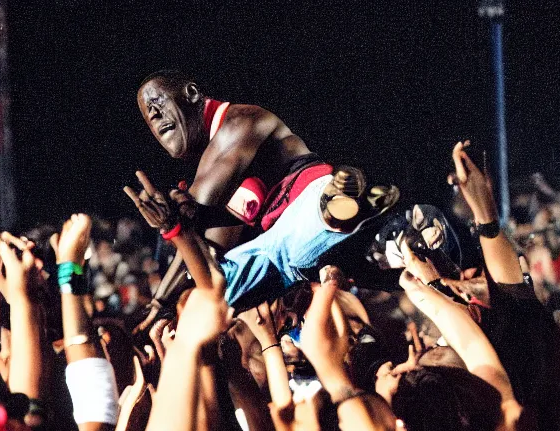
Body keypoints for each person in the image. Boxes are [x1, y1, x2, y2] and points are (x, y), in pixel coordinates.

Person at [132, 71, 399, 312]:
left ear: (191, 94)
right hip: (302, 246)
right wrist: (162, 303)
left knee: (291, 247)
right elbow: (207, 251)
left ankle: (333, 205)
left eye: (158, 103)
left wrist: (177, 217)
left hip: (306, 202)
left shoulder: (238, 121)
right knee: (221, 293)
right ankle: (347, 213)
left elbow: (198, 208)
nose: (154, 115)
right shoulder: (219, 175)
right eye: (147, 115)